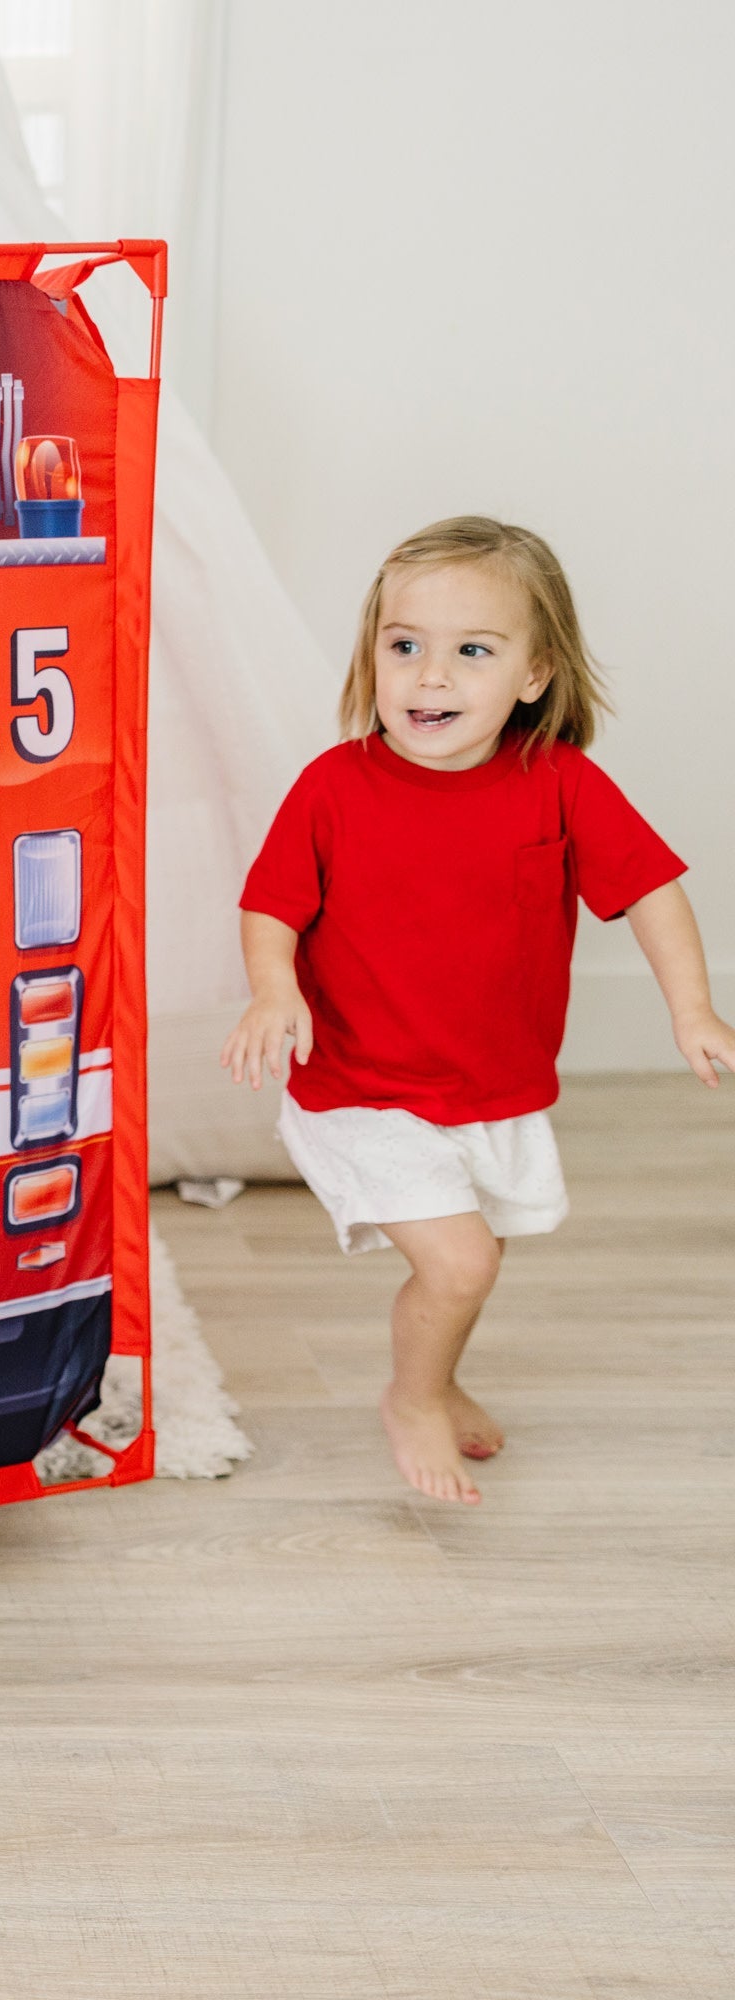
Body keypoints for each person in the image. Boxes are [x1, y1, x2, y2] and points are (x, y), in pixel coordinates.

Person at [222, 516, 733, 1505]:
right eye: (402, 644)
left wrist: (692, 1008)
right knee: (457, 1262)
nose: (428, 677)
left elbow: (650, 890)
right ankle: (411, 1398)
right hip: (359, 1084)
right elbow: (268, 903)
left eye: (470, 652)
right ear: (371, 649)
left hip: (488, 1089)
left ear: (532, 674)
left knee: (474, 1257)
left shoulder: (559, 784)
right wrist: (273, 988)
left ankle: (437, 1371)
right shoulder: (333, 787)